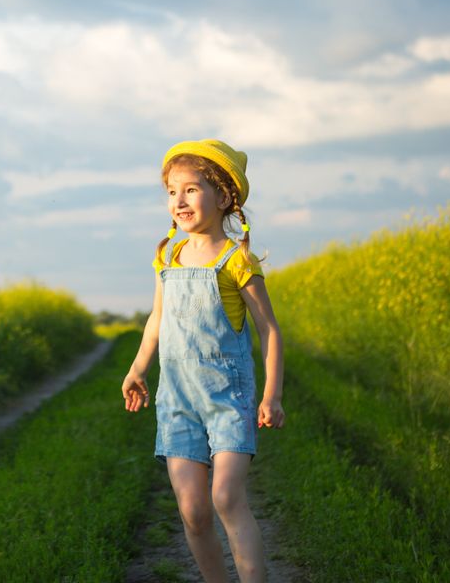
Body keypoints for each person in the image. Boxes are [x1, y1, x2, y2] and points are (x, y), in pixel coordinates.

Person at [121, 139, 284, 583]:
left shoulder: (237, 260)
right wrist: (138, 369)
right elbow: (158, 317)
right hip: (177, 401)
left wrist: (271, 396)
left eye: (191, 189)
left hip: (228, 398)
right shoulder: (166, 256)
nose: (179, 200)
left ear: (224, 196)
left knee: (227, 498)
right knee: (192, 511)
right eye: (172, 191)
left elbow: (269, 329)